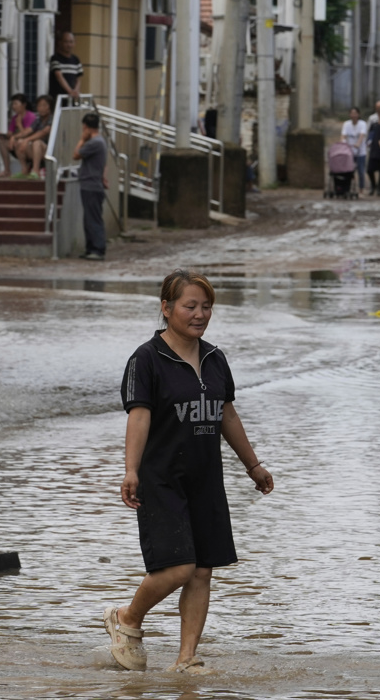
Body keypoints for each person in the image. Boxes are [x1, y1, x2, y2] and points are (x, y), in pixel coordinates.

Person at [107, 270, 274, 673]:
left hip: (205, 478)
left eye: (206, 306)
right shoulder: (146, 359)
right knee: (178, 568)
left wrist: (253, 464)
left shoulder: (215, 358)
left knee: (202, 572)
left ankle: (187, 659)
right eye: (190, 306)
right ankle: (127, 619)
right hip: (161, 478)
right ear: (166, 309)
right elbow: (139, 418)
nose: (199, 314)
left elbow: (227, 415)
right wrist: (130, 470)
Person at [74, 113, 107, 260]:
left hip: (91, 184)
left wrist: (82, 140)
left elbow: (76, 155)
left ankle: (97, 249)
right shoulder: (100, 141)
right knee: (89, 218)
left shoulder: (94, 143)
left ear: (86, 127)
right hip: (92, 183)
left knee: (93, 218)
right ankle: (91, 248)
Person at [14, 95, 55, 179]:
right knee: (19, 142)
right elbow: (28, 130)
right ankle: (24, 170)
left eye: (44, 105)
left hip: (51, 151)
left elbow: (44, 132)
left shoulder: (53, 118)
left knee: (37, 142)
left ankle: (35, 170)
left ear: (50, 107)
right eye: (39, 106)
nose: (41, 108)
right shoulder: (38, 120)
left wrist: (27, 140)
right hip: (37, 151)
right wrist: (14, 137)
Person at [2, 94, 37, 176]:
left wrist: (19, 124)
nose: (13, 107)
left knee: (20, 141)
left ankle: (24, 169)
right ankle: (7, 170)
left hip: (29, 143)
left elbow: (27, 134)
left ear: (24, 104)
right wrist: (6, 135)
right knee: (2, 143)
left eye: (16, 104)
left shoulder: (31, 116)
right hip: (16, 142)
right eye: (12, 104)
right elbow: (10, 133)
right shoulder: (14, 118)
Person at [49, 32, 84, 103]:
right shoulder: (55, 58)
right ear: (60, 43)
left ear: (74, 43)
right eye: (66, 42)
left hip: (71, 100)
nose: (69, 45)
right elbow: (59, 76)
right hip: (58, 100)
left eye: (71, 42)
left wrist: (76, 91)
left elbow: (78, 78)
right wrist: (70, 91)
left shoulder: (76, 60)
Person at [341, 107, 368, 191]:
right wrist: (343, 143)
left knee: (360, 171)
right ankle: (348, 187)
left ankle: (361, 188)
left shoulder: (362, 124)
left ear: (358, 114)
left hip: (361, 151)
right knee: (348, 170)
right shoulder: (346, 124)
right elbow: (343, 135)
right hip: (349, 151)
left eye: (355, 113)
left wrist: (358, 144)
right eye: (352, 113)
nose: (353, 115)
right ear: (349, 115)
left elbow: (362, 135)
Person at [366, 104, 380, 196]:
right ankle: (373, 185)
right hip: (374, 150)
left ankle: (379, 188)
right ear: (378, 114)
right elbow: (369, 134)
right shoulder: (374, 125)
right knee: (370, 170)